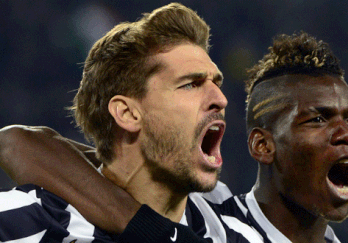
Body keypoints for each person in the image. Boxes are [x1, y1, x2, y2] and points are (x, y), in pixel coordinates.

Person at [1, 32, 348, 243]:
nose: (346, 134)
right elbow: (17, 143)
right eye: (318, 119)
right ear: (262, 145)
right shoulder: (207, 214)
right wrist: (149, 229)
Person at [0, 2, 237, 242]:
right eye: (190, 84)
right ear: (127, 114)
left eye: (216, 83)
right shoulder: (33, 221)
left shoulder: (231, 227)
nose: (221, 99)